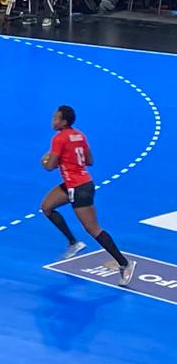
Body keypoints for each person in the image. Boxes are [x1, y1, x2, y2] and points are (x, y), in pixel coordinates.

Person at [39, 105, 136, 286]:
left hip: (78, 188)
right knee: (47, 206)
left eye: (56, 118)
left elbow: (49, 166)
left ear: (64, 121)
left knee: (93, 229)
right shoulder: (80, 135)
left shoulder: (58, 138)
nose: (53, 121)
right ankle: (73, 243)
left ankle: (124, 263)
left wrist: (45, 159)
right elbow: (89, 161)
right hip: (78, 183)